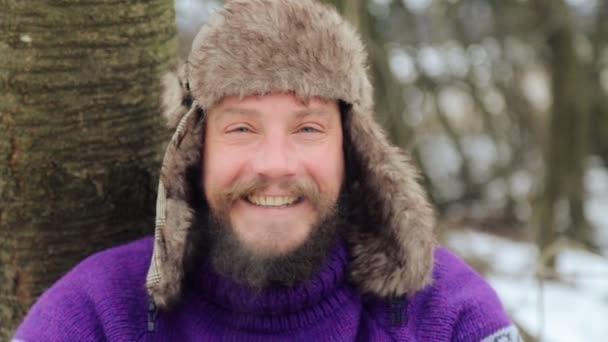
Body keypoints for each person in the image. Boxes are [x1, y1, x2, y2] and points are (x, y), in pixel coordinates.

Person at [14, 0, 521, 341]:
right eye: (241, 129)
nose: (275, 165)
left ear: (354, 151)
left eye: (307, 129)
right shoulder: (95, 314)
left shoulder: (449, 315)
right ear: (194, 151)